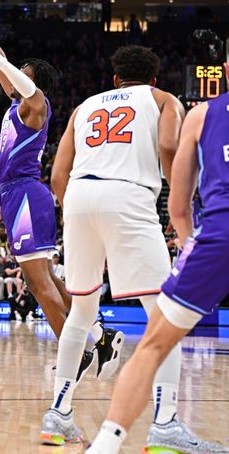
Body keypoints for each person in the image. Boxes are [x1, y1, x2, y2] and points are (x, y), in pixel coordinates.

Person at [40, 46, 197, 447]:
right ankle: (165, 425)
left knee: (81, 311)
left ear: (114, 79)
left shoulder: (84, 107)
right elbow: (167, 147)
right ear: (155, 79)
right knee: (165, 313)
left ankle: (58, 415)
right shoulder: (162, 100)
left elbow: (58, 174)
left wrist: (81, 211)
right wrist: (174, 194)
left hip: (79, 197)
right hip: (128, 196)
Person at [0, 0, 118, 364]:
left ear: (32, 82)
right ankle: (99, 335)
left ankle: (75, 356)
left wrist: (1, 62)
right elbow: (0, 65)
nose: (15, 76)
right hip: (18, 195)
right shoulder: (15, 106)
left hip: (25, 195)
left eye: (23, 75)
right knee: (50, 280)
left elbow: (12, 73)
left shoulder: (38, 105)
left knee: (39, 285)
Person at [86, 90, 229, 453]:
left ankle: (106, 445)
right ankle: (164, 425)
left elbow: (178, 207)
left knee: (152, 345)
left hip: (218, 237)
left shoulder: (201, 115)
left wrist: (191, 252)